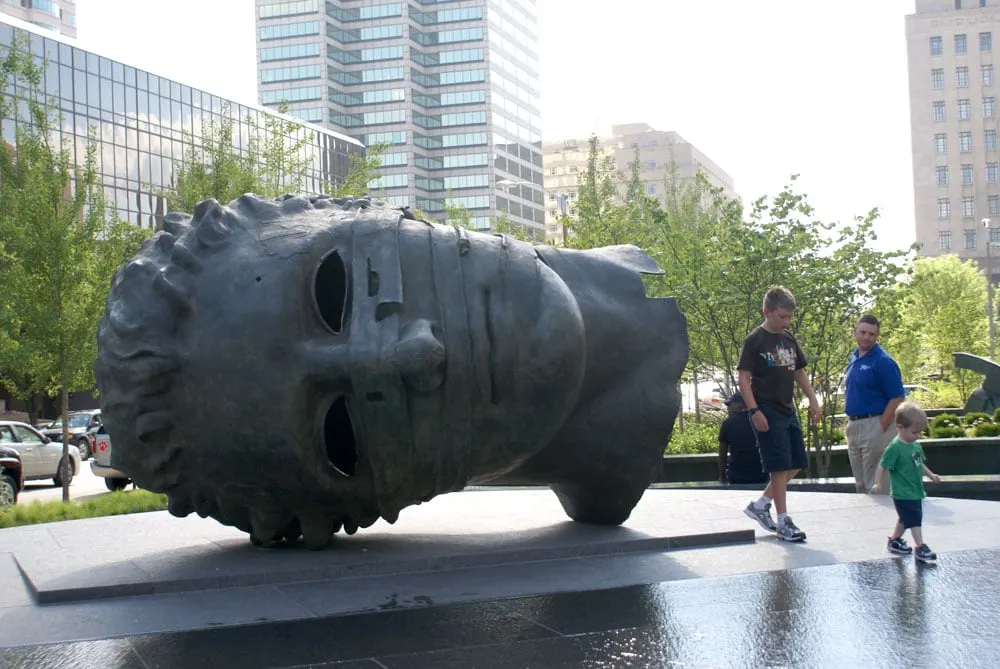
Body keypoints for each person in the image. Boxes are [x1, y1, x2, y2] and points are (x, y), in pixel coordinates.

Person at [738, 286, 821, 542]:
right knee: (779, 465)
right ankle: (783, 520)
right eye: (782, 316)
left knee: (796, 463)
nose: (786, 321)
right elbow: (743, 377)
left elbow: (798, 371)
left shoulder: (788, 339)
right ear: (767, 311)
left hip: (788, 409)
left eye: (789, 317)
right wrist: (754, 410)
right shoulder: (754, 341)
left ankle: (761, 504)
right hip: (766, 409)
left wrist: (813, 399)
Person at [843, 314, 906, 494]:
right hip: (854, 426)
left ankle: (882, 521)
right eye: (862, 332)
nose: (866, 337)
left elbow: (897, 397)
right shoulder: (854, 358)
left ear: (877, 336)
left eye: (871, 334)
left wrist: (881, 426)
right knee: (860, 485)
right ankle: (864, 521)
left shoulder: (883, 361)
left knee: (877, 486)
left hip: (875, 424)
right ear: (855, 332)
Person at [872, 402, 942, 563]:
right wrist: (878, 483)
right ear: (900, 427)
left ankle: (894, 541)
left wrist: (931, 475)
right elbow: (882, 466)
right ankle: (920, 546)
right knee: (914, 519)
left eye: (920, 433)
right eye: (914, 432)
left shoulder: (914, 445)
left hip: (915, 490)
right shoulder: (895, 448)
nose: (917, 436)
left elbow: (919, 463)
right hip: (903, 493)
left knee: (905, 518)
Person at [717, 392, 768, 485]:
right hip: (762, 475)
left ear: (740, 404)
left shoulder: (728, 423)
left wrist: (722, 476)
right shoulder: (762, 420)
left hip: (737, 476)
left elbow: (722, 454)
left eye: (730, 405)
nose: (728, 408)